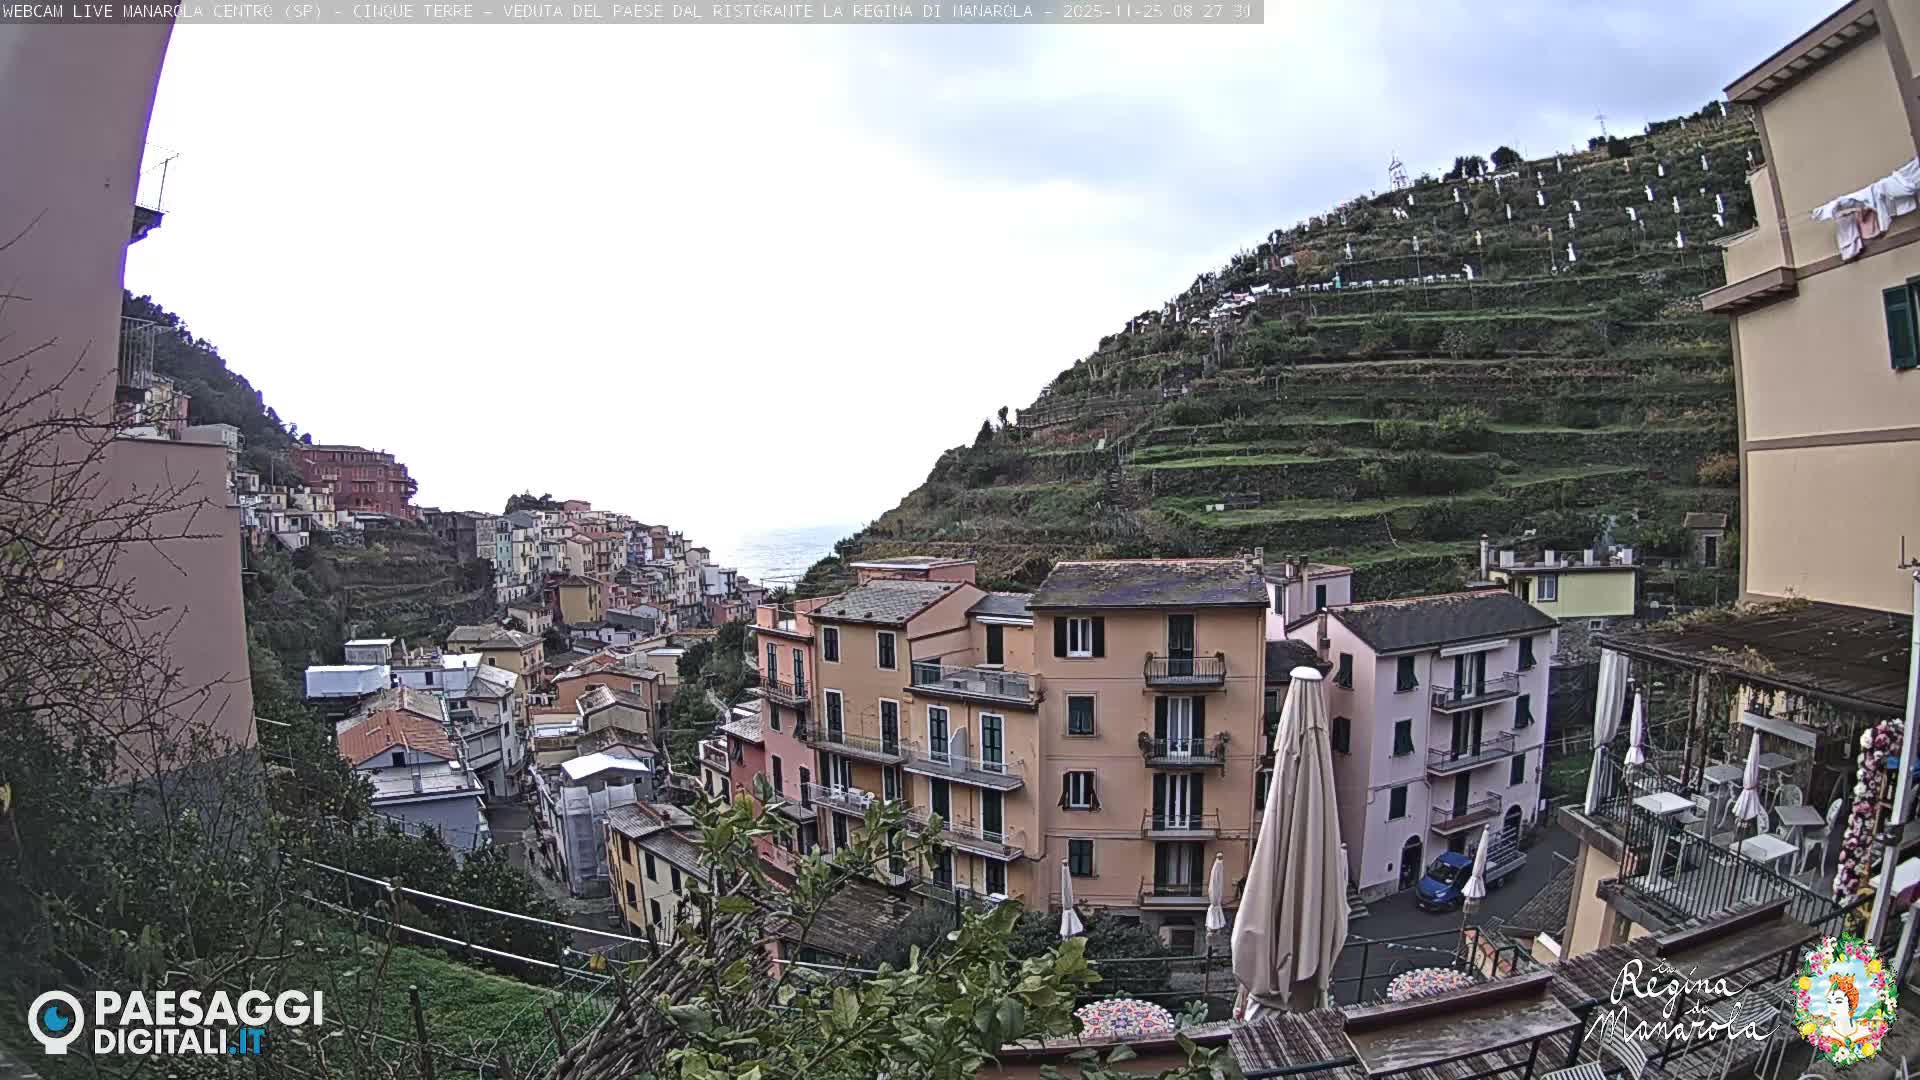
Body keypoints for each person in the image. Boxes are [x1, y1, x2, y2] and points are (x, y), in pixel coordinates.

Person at [1818, 974, 1871, 1043]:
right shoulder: (1824, 1032)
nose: (1832, 1007)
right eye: (1829, 1002)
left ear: (1851, 1005)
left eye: (1838, 1002)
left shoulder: (1864, 1032)